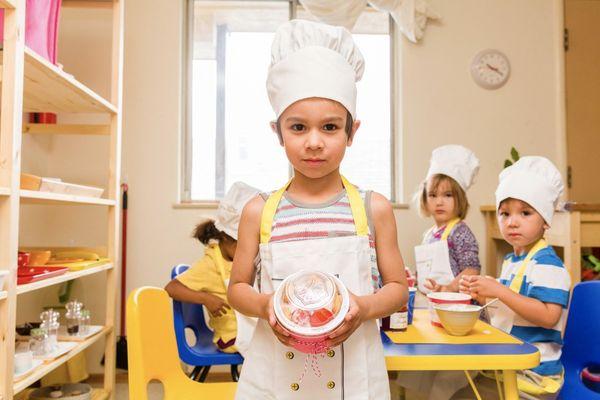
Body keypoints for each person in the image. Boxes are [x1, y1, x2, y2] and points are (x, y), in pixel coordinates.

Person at [227, 19, 408, 399]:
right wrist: (267, 307)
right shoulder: (258, 211)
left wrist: (362, 306)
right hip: (274, 374)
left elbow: (397, 290)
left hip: (354, 376)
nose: (314, 142)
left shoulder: (373, 208)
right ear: (277, 132)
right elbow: (238, 289)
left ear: (351, 132)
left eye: (329, 127)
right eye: (297, 128)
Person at [460, 156, 570, 398]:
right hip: (508, 366)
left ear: (546, 221)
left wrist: (499, 291)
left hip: (535, 374)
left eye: (525, 213)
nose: (512, 222)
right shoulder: (512, 261)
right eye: (505, 213)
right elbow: (511, 311)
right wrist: (482, 296)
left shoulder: (547, 264)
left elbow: (549, 316)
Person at [165, 181, 259, 353]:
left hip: (250, 331)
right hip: (233, 336)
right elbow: (172, 288)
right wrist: (206, 299)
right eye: (243, 247)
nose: (250, 252)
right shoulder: (211, 264)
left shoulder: (239, 259)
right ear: (225, 238)